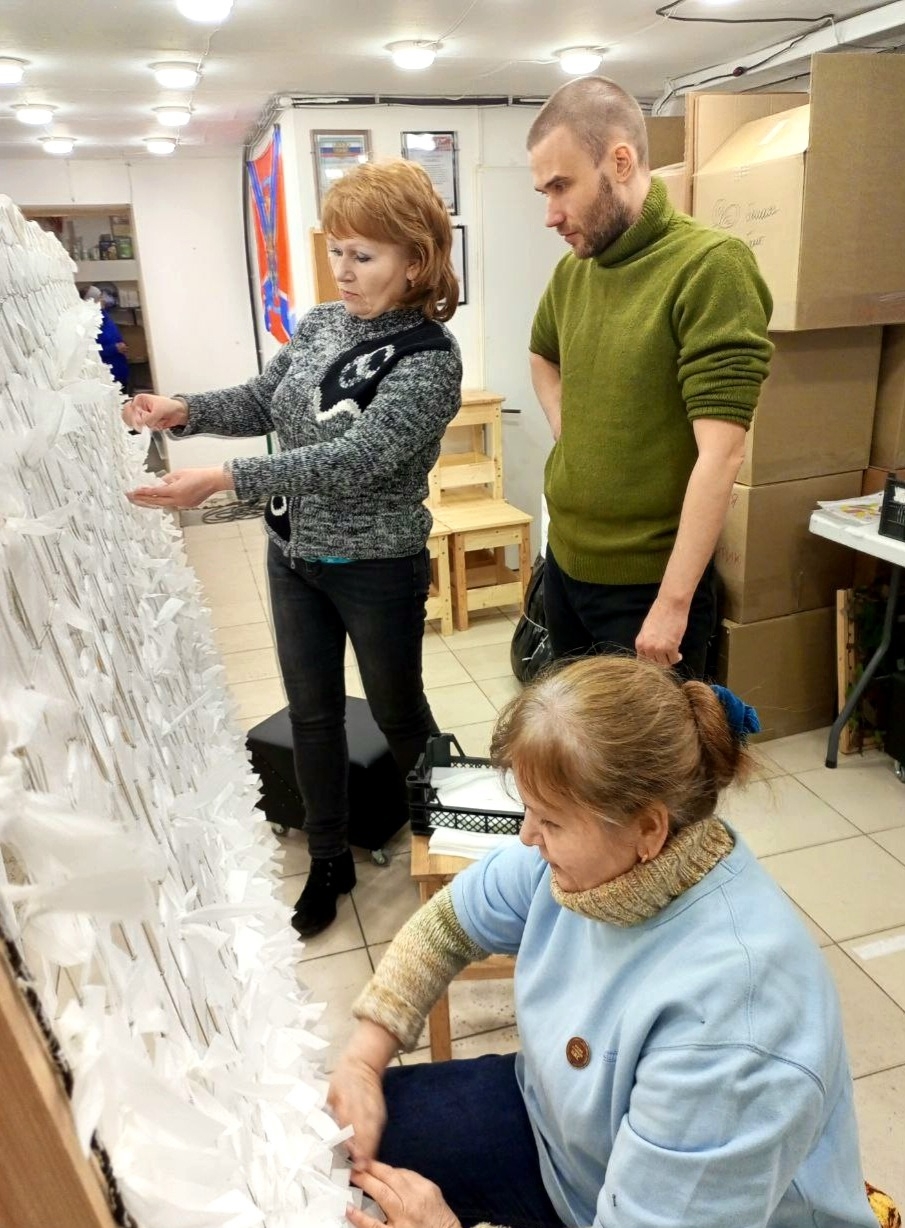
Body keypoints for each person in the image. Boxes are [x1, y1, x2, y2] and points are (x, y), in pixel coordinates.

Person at [328, 655, 895, 1228]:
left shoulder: (734, 1025)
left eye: (549, 821)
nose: (526, 836)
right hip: (561, 1140)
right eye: (528, 811)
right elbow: (446, 924)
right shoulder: (584, 861)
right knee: (334, 1145)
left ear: (648, 829)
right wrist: (361, 1060)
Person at [121, 160, 463, 937]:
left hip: (376, 568)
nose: (342, 269)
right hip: (294, 555)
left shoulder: (429, 358)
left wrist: (225, 479)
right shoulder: (320, 324)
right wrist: (183, 410)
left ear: (415, 261)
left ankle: (453, 847)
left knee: (400, 714)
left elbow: (356, 459)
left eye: (363, 255)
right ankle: (330, 858)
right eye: (336, 250)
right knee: (312, 718)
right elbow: (262, 399)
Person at [527, 77, 774, 678]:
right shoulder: (573, 272)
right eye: (544, 191)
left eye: (561, 186)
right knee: (575, 738)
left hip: (647, 591)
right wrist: (568, 428)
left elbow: (722, 453)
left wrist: (673, 604)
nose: (551, 215)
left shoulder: (710, 267)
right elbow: (541, 354)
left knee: (652, 746)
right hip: (566, 565)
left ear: (620, 161)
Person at [84, 285, 130, 391]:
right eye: (100, 297)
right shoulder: (88, 324)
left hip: (120, 369)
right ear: (91, 301)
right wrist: (114, 349)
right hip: (106, 376)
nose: (103, 300)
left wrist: (121, 345)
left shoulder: (105, 316)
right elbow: (89, 353)